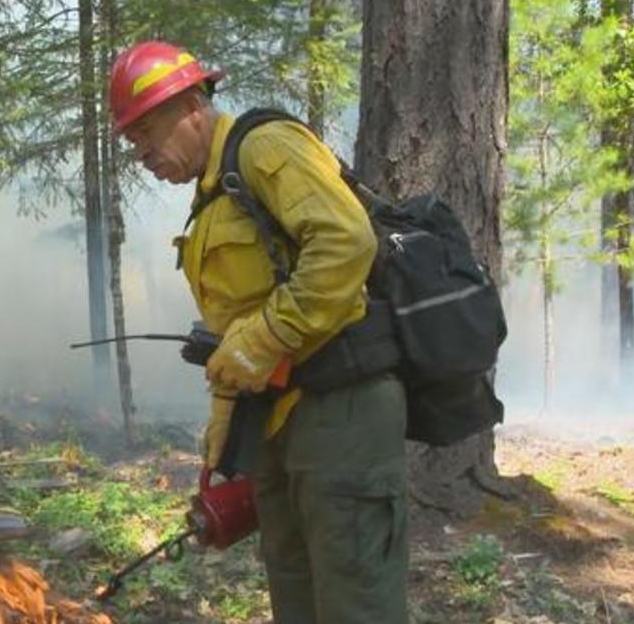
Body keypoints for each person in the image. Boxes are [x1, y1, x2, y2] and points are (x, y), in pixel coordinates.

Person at [108, 41, 409, 624]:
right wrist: (227, 415)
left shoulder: (265, 148)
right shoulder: (215, 193)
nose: (141, 152)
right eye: (132, 140)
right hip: (279, 421)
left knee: (355, 602)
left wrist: (264, 339)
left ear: (194, 104)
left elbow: (346, 242)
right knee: (296, 601)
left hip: (341, 413)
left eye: (147, 131)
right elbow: (238, 321)